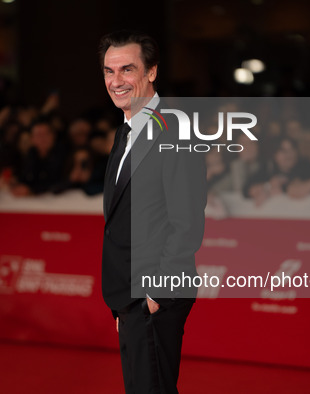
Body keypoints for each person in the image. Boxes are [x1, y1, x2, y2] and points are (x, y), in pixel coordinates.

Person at [99, 30, 206, 394]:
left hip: (154, 292)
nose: (116, 81)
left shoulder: (174, 130)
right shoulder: (125, 132)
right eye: (109, 72)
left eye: (127, 70)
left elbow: (186, 221)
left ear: (152, 72)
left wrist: (152, 297)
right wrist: (123, 307)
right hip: (130, 296)